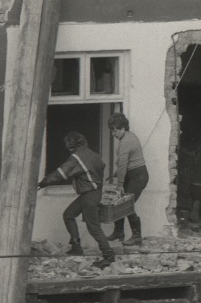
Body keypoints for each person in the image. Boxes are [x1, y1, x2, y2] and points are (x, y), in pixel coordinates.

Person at [37, 131, 114, 269]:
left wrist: (42, 183)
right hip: (94, 192)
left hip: (89, 195)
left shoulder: (77, 157)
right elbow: (101, 166)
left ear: (72, 145)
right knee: (69, 215)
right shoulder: (94, 155)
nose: (69, 151)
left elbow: (59, 174)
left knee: (94, 228)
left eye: (69, 148)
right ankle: (76, 246)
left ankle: (108, 257)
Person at [108, 113, 149, 246]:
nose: (113, 134)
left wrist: (120, 184)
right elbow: (124, 163)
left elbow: (123, 164)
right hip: (133, 174)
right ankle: (119, 231)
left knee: (126, 204)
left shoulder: (126, 141)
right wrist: (118, 173)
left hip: (138, 176)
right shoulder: (129, 136)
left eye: (115, 130)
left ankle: (137, 235)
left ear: (122, 128)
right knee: (120, 202)